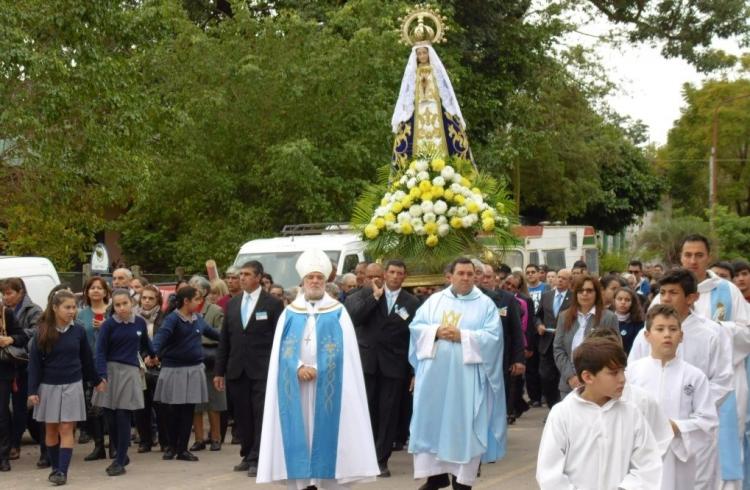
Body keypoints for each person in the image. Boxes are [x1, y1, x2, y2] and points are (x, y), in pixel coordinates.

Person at [257, 248, 379, 488]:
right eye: (311, 277)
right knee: (299, 430)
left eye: (319, 278)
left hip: (328, 386)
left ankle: (325, 480)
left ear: (326, 281)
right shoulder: (289, 313)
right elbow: (281, 351)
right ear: (303, 281)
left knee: (326, 433)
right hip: (297, 386)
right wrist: (299, 366)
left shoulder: (338, 312)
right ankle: (303, 481)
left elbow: (346, 352)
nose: (315, 281)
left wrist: (318, 367)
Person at [653, 234, 750, 489]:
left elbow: (746, 333)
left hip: (716, 392)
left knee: (714, 458)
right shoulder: (663, 294)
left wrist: (719, 330)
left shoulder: (726, 290)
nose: (693, 260)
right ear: (680, 257)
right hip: (669, 397)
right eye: (688, 255)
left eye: (699, 255)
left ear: (709, 257)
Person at [631, 268, 733, 489]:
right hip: (648, 435)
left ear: (691, 297)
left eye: (673, 292)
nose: (666, 298)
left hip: (690, 435)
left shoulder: (712, 333)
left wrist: (688, 413)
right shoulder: (644, 335)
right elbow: (633, 381)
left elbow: (722, 381)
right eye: (663, 292)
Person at [409, 258, 505, 490]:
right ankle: (435, 476)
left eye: (470, 274)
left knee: (464, 428)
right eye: (461, 273)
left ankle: (462, 482)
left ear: (476, 277)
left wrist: (463, 336)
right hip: (435, 382)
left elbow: (493, 339)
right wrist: (435, 331)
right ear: (449, 276)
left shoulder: (485, 305)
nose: (465, 278)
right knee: (433, 424)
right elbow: (415, 328)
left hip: (467, 382)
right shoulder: (434, 301)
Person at [536, 337, 662, 489]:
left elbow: (648, 465)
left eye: (623, 371)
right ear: (588, 377)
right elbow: (549, 473)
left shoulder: (631, 413)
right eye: (614, 373)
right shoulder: (563, 414)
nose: (622, 379)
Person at [627, 304, 718, 490]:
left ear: (681, 336)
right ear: (647, 336)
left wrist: (675, 427)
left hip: (677, 456)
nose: (667, 334)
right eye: (660, 329)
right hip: (639, 453)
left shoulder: (694, 376)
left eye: (673, 329)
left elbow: (708, 420)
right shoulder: (632, 373)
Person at [344, 259, 420, 477]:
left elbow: (415, 338)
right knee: (367, 411)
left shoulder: (412, 302)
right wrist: (375, 297)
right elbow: (355, 318)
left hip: (395, 366)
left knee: (388, 413)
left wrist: (414, 370)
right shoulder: (365, 296)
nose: (395, 276)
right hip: (367, 364)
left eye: (400, 273)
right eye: (392, 272)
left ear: (405, 277)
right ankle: (364, 457)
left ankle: (381, 459)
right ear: (384, 274)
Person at [213, 261, 284, 477]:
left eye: (246, 274)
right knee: (242, 415)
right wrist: (219, 371)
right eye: (239, 274)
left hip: (262, 370)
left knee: (260, 414)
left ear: (259, 277)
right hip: (237, 369)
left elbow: (279, 339)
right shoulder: (233, 304)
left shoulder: (272, 304)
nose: (241, 278)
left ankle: (258, 457)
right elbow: (225, 339)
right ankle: (247, 453)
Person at [28, 290, 101, 485]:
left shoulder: (78, 331)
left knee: (67, 428)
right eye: (67, 307)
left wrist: (96, 380)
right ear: (54, 308)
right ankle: (55, 468)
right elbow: (34, 364)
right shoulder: (42, 331)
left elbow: (86, 360)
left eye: (74, 307)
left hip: (72, 384)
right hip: (48, 386)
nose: (71, 311)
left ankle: (62, 472)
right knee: (51, 430)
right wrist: (32, 391)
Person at [152, 286, 220, 462]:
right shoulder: (173, 319)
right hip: (174, 370)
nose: (200, 302)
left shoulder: (198, 319)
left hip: (194, 369)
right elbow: (160, 338)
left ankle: (182, 449)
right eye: (197, 299)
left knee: (188, 410)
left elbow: (215, 334)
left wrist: (234, 336)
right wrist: (152, 354)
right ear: (186, 301)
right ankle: (171, 447)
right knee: (173, 410)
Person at [92, 289, 156, 476]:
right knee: (110, 418)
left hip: (129, 372)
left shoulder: (139, 322)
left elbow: (145, 343)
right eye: (117, 305)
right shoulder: (108, 325)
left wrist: (153, 355)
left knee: (123, 416)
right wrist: (101, 375)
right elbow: (100, 351)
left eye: (124, 303)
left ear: (132, 303)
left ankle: (120, 460)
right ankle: (120, 452)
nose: (121, 308)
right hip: (110, 372)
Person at [391, 40, 471, 166]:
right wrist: (404, 114)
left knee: (451, 135)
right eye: (419, 54)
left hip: (436, 111)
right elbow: (406, 95)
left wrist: (451, 111)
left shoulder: (437, 71)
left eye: (424, 53)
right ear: (416, 56)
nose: (422, 56)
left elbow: (446, 93)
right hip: (418, 113)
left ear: (429, 53)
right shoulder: (412, 73)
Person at [553, 274, 619, 397]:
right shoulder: (564, 316)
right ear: (575, 294)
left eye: (589, 290)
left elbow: (615, 351)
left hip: (599, 383)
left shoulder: (609, 317)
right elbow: (558, 349)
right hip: (569, 384)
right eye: (580, 290)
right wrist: (571, 377)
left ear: (596, 293)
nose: (584, 294)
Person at [1, 278, 42, 462]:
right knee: (3, 408)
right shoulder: (2, 310)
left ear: (21, 292)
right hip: (6, 362)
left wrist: (13, 338)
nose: (6, 297)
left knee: (20, 407)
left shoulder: (33, 309)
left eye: (9, 293)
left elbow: (37, 331)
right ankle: (7, 443)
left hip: (24, 362)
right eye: (3, 294)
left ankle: (15, 443)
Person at [188, 275, 226, 453]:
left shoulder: (215, 310)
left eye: (195, 289)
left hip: (211, 358)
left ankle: (216, 437)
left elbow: (222, 334)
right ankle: (199, 439)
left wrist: (202, 336)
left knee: (214, 401)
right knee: (195, 402)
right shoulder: (185, 311)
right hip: (192, 359)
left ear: (203, 292)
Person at [75, 276, 111, 462]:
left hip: (111, 364)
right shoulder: (81, 314)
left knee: (112, 406)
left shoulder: (113, 311)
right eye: (92, 288)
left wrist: (107, 326)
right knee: (92, 407)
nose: (96, 291)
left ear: (106, 292)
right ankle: (98, 446)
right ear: (87, 292)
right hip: (89, 364)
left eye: (99, 288)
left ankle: (114, 443)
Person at [134, 284, 167, 453]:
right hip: (140, 366)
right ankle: (145, 440)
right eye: (144, 298)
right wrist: (144, 356)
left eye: (151, 298)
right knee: (141, 406)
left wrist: (156, 357)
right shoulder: (134, 317)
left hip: (159, 366)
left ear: (158, 300)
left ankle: (164, 441)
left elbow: (166, 339)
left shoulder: (165, 317)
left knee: (161, 406)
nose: (147, 301)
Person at [536, 268, 572, 408]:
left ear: (569, 281)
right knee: (546, 376)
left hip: (564, 344)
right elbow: (537, 315)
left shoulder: (574, 297)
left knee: (562, 377)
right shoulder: (546, 296)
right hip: (547, 342)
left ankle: (562, 408)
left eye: (564, 278)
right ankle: (553, 407)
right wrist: (539, 325)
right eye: (559, 277)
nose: (560, 280)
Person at [0, 288, 27, 472]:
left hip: (3, 372)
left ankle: (3, 456)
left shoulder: (5, 313)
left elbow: (22, 337)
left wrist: (9, 339)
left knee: (1, 415)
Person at [612, 287, 645, 354]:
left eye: (627, 300)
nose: (623, 302)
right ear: (614, 300)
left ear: (632, 303)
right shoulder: (608, 318)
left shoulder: (638, 323)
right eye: (619, 299)